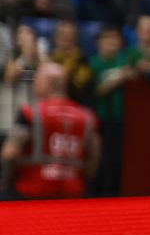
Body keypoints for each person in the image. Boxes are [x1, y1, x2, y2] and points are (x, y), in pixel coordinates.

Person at [1, 63, 99, 198]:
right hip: (72, 192)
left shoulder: (30, 113)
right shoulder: (86, 116)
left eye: (36, 80)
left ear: (47, 83)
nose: (34, 85)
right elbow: (94, 156)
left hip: (33, 191)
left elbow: (9, 153)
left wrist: (5, 185)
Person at [89, 26, 129, 195]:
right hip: (100, 119)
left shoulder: (124, 62)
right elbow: (95, 91)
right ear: (98, 43)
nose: (111, 42)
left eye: (115, 38)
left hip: (121, 119)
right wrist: (118, 78)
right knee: (100, 161)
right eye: (107, 38)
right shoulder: (92, 64)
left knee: (117, 161)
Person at [50, 20, 93, 104]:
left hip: (74, 106)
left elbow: (79, 90)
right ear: (55, 38)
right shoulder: (49, 60)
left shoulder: (81, 60)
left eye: (69, 37)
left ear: (75, 39)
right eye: (62, 36)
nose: (66, 39)